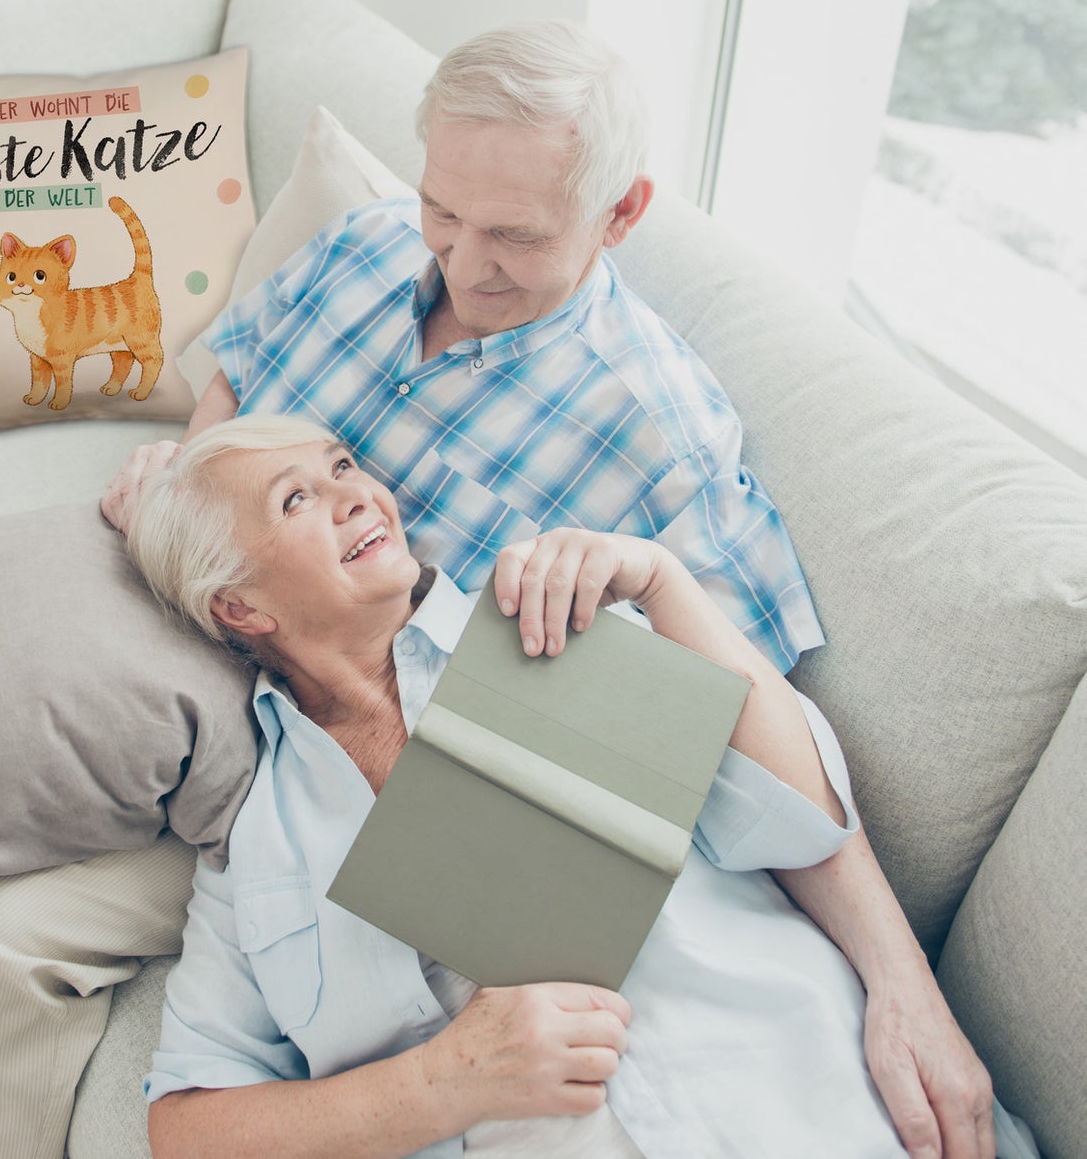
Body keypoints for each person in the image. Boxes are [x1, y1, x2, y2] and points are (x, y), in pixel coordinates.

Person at [0, 23, 990, 1159]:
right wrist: (187, 478)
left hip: (334, 727)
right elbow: (236, 384)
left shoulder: (658, 438)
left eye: (513, 234)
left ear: (618, 215)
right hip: (222, 601)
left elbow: (745, 734)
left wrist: (902, 980)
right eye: (446, 209)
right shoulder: (367, 246)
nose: (460, 259)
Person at [128, 414, 1024, 1159]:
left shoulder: (551, 621)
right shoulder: (256, 846)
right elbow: (187, 1126)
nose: (357, 493)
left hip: (817, 1105)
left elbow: (800, 819)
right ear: (239, 607)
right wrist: (443, 1081)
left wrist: (663, 583)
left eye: (342, 466)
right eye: (297, 498)